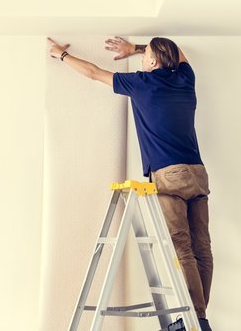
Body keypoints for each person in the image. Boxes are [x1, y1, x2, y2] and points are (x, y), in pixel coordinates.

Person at [48, 37, 213, 331]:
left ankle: (197, 322)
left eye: (145, 54)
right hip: (197, 173)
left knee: (182, 248)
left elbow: (94, 73)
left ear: (152, 62)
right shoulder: (186, 79)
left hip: (169, 175)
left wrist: (62, 56)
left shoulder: (143, 83)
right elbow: (178, 52)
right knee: (202, 247)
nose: (141, 57)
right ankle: (198, 318)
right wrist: (136, 47)